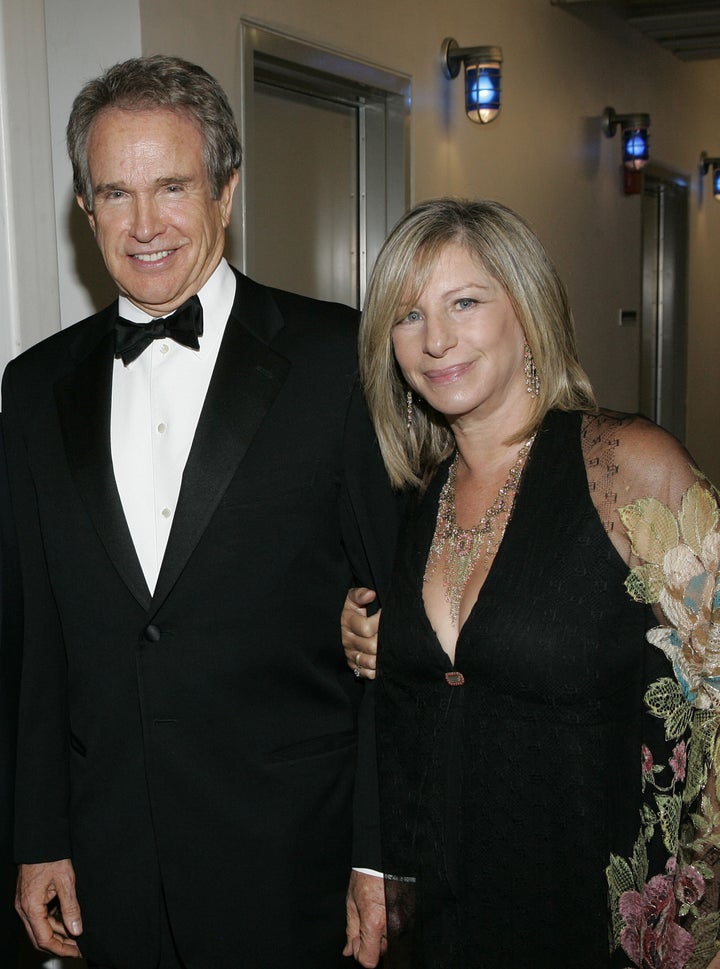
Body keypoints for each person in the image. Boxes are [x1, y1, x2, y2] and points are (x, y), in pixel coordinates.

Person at [3, 54, 397, 969]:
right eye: (116, 192)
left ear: (226, 189)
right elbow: (40, 637)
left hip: (293, 858)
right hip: (110, 862)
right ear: (85, 207)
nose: (144, 225)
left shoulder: (338, 359)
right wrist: (38, 833)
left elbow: (390, 628)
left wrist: (378, 853)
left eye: (173, 186)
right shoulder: (34, 388)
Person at [342, 197, 720, 967]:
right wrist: (377, 639)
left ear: (527, 308)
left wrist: (708, 936)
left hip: (602, 929)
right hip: (450, 927)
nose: (436, 339)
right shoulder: (421, 498)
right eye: (409, 315)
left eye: (465, 303)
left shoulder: (629, 468)